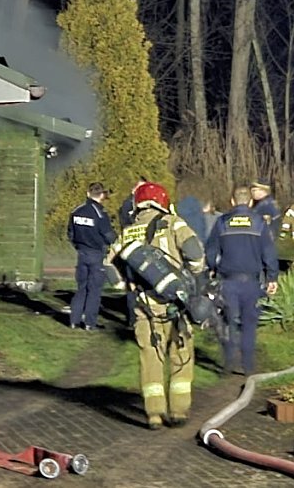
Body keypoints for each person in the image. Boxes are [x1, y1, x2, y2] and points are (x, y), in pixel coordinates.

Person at [113, 182, 205, 429]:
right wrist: (194, 273)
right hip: (176, 303)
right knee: (181, 353)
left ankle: (154, 414)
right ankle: (179, 411)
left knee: (150, 357)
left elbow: (108, 267)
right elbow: (195, 251)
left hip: (144, 306)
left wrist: (126, 287)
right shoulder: (174, 222)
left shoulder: (128, 231)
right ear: (162, 201)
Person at [205, 186, 278, 376]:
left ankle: (228, 363)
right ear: (251, 202)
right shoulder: (259, 223)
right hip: (252, 283)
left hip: (228, 281)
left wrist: (212, 268)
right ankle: (248, 366)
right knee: (249, 324)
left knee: (229, 322)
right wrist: (272, 277)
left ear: (232, 201)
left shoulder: (222, 222)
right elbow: (269, 252)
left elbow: (211, 251)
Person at [67, 182, 117, 330]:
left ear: (88, 193)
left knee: (81, 288)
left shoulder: (76, 211)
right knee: (94, 290)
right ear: (102, 195)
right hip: (96, 254)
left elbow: (70, 233)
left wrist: (78, 246)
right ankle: (90, 323)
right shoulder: (100, 213)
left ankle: (74, 321)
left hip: (81, 254)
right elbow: (109, 236)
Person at [116, 178, 148, 330]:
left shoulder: (144, 205)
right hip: (131, 250)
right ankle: (133, 319)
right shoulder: (128, 205)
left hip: (143, 250)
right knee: (132, 286)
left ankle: (144, 317)